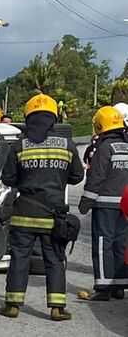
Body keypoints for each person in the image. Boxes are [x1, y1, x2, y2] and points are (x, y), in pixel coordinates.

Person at [0, 94, 84, 321]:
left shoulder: (20, 146)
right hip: (54, 216)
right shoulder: (66, 145)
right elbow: (77, 177)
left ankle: (13, 305)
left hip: (24, 215)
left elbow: (8, 178)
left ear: (28, 118)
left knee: (19, 258)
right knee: (55, 259)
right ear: (53, 118)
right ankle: (57, 307)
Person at [77, 106, 128, 301]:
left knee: (102, 244)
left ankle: (103, 287)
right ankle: (119, 285)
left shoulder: (105, 148)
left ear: (100, 124)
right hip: (124, 207)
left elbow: (96, 177)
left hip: (105, 205)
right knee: (121, 244)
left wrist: (85, 202)